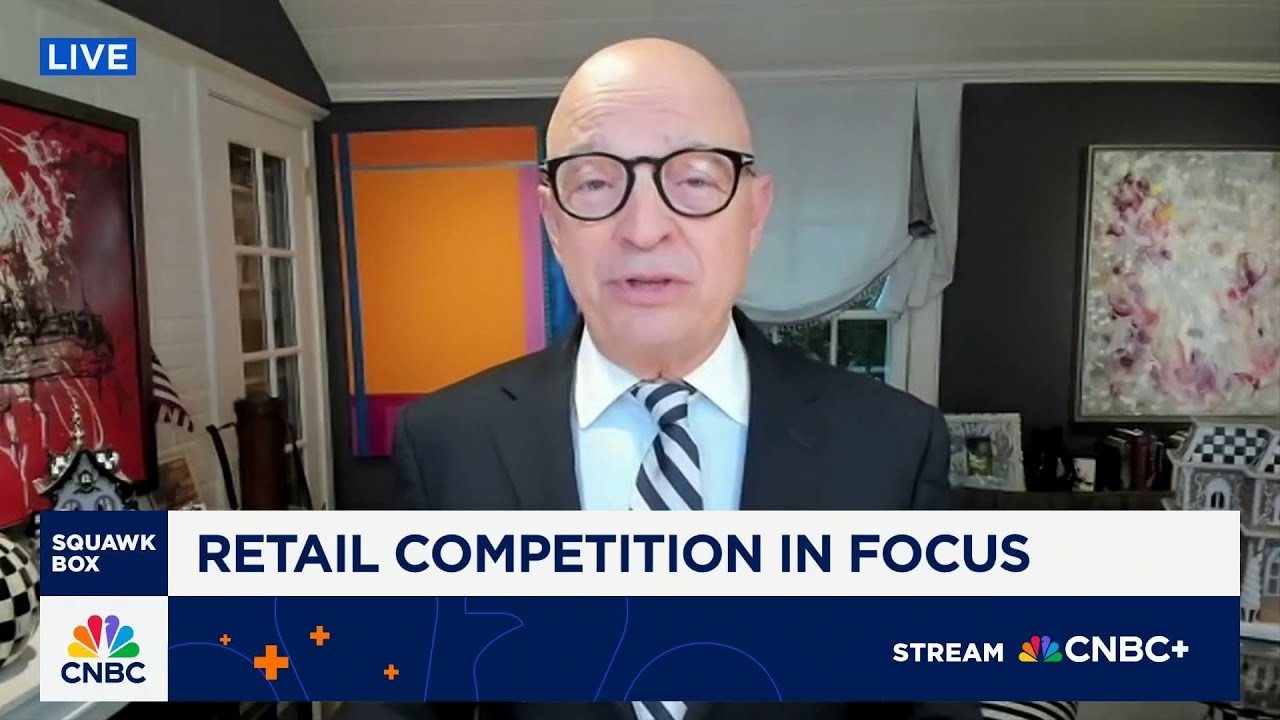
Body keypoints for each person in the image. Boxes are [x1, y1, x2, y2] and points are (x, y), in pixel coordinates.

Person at [344, 37, 977, 720]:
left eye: (696, 180)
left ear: (755, 214)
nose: (644, 230)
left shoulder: (892, 447)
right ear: (552, 220)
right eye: (595, 183)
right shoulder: (447, 443)